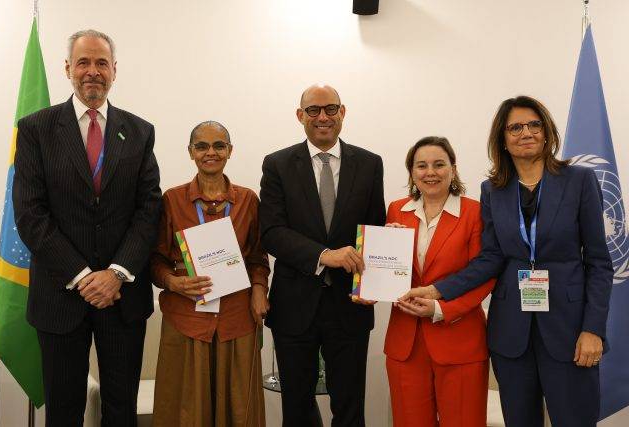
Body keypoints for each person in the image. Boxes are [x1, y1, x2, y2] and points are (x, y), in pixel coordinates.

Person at [405, 96, 613, 426]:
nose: (525, 133)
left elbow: (599, 262)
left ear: (546, 132)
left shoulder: (579, 180)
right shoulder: (493, 190)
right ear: (503, 139)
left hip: (570, 330)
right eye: (515, 127)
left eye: (534, 125)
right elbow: (491, 258)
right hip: (511, 334)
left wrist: (593, 329)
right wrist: (437, 290)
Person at [12, 29, 162, 425]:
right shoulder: (36, 129)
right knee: (63, 413)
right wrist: (82, 276)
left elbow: (149, 210)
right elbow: (30, 214)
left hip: (122, 297)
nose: (92, 71)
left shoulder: (140, 131)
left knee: (121, 412)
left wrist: (115, 273)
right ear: (68, 69)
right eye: (83, 62)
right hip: (59, 297)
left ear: (114, 70)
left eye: (101, 63)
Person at [259, 84, 386, 426]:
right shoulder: (278, 164)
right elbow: (271, 232)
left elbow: (374, 230)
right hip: (294, 307)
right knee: (297, 409)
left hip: (350, 306)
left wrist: (379, 275)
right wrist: (324, 255)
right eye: (313, 110)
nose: (323, 117)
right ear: (300, 116)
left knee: (350, 408)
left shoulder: (370, 164)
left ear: (343, 112)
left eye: (330, 108)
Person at [150, 121, 269, 426]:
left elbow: (258, 256)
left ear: (230, 150)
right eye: (202, 146)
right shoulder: (172, 200)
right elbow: (155, 259)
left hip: (237, 319)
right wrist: (173, 282)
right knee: (186, 411)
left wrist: (259, 289)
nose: (210, 153)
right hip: (187, 319)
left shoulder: (248, 200)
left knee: (239, 410)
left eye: (219, 146)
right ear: (191, 152)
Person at [384, 137, 494, 426]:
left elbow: (484, 274)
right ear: (412, 172)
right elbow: (387, 271)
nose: (430, 172)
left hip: (459, 338)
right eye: (421, 165)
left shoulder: (475, 212)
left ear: (453, 170)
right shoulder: (396, 210)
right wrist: (378, 260)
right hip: (405, 343)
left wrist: (441, 309)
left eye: (439, 164)